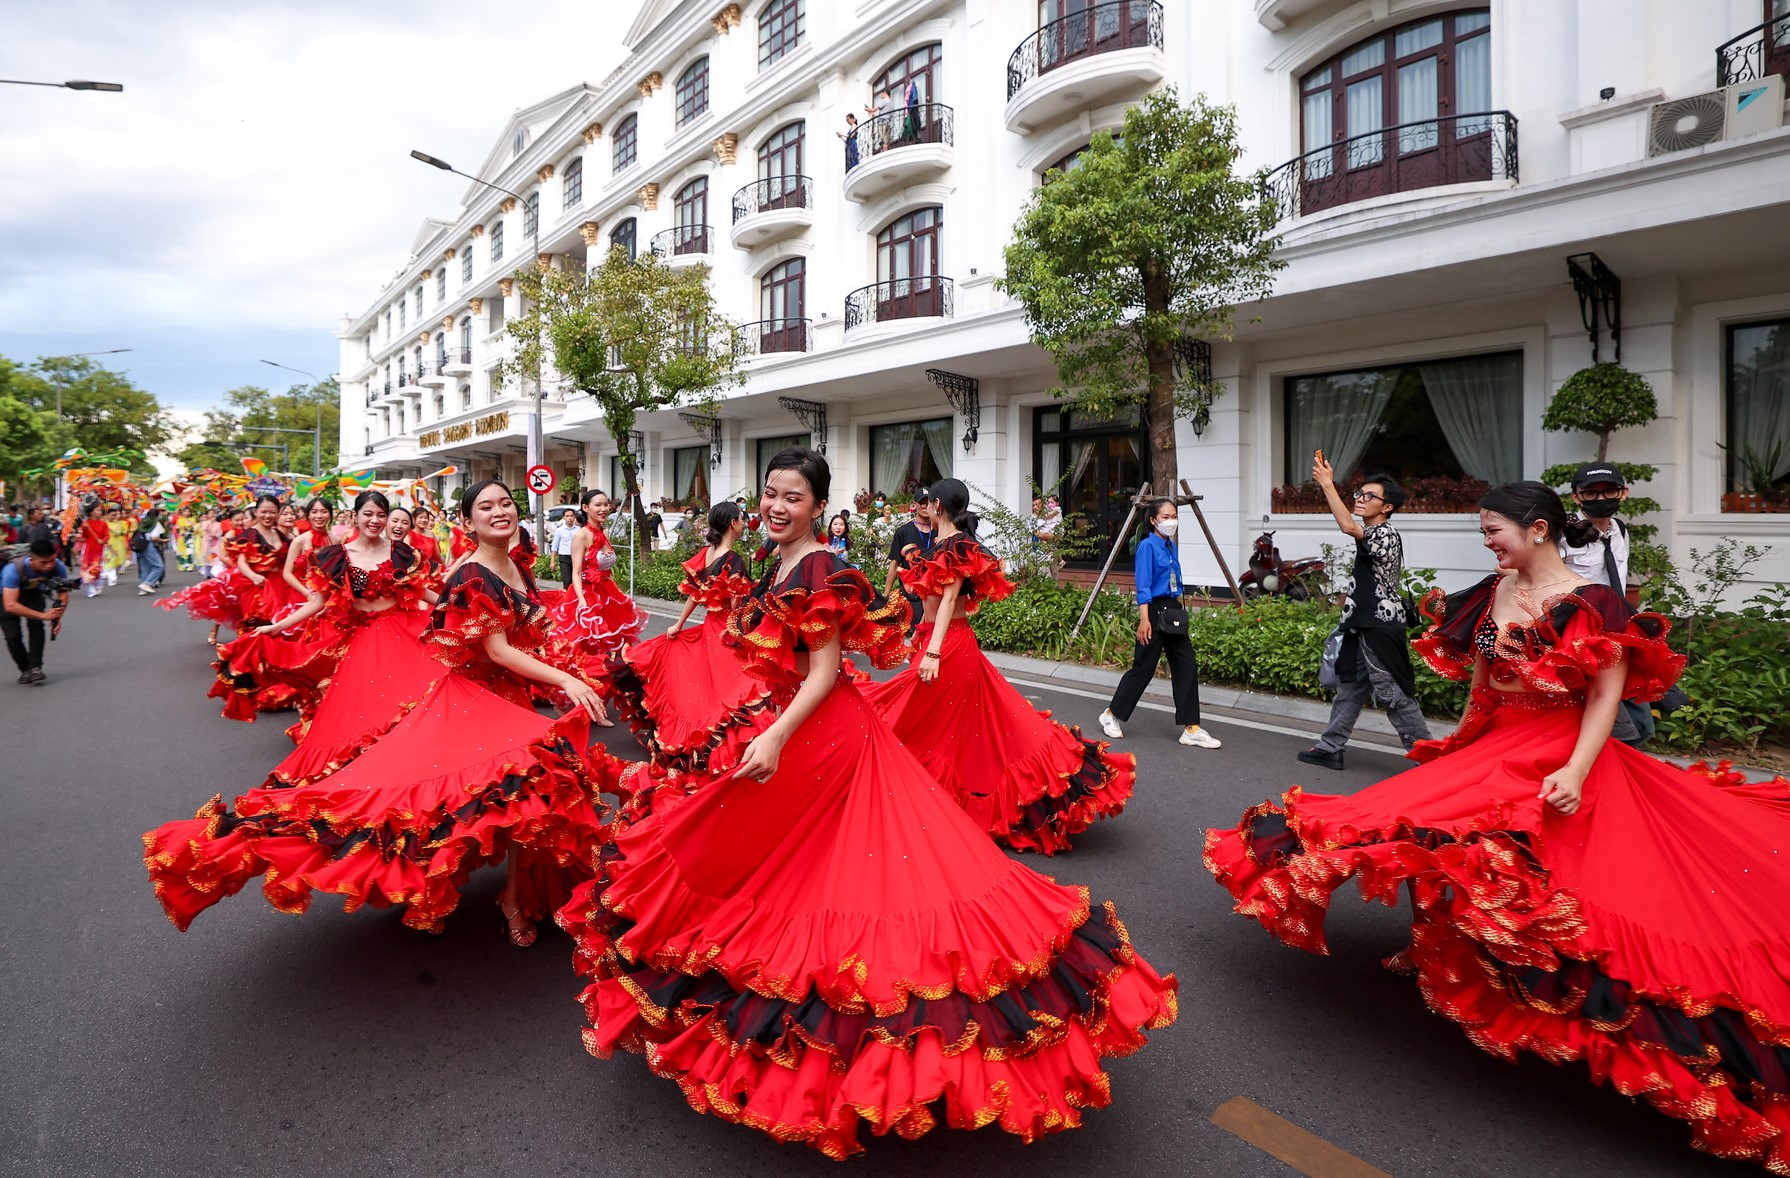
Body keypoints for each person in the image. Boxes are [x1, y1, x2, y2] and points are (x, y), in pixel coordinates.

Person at [558, 447, 1177, 1157]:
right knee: (776, 860)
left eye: (793, 496)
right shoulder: (779, 559)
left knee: (843, 878)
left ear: (819, 505)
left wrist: (775, 737)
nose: (776, 505)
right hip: (800, 731)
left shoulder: (819, 566)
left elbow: (826, 673)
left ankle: (881, 1054)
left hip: (828, 737)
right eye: (770, 492)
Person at [1203, 479, 1790, 1173]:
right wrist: (1463, 742)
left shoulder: (1592, 603)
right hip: (1496, 742)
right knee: (1425, 834)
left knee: (1559, 880)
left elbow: (1604, 696)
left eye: (1495, 531)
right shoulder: (1490, 592)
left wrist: (1574, 770)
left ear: (1538, 529)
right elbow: (1483, 678)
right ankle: (1433, 944)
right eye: (1484, 531)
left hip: (1559, 751)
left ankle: (1551, 993)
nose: (1487, 542)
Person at [143, 479, 612, 946]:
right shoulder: (469, 573)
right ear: (467, 522)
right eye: (485, 506)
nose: (499, 512)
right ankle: (468, 889)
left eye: (506, 503)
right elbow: (498, 649)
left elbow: (507, 627)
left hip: (505, 693)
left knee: (523, 798)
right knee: (443, 798)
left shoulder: (513, 564)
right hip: (468, 696)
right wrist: (565, 680)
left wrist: (573, 664)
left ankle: (515, 896)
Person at [861, 479, 1134, 853]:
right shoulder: (942, 544)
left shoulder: (955, 545)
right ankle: (920, 801)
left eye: (927, 501)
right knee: (956, 728)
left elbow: (950, 598)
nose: (923, 505)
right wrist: (920, 640)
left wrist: (934, 651)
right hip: (938, 641)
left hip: (950, 646)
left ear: (937, 504)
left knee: (914, 715)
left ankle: (905, 797)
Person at [245, 490, 446, 787]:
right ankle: (376, 770)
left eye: (381, 514)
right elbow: (317, 602)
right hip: (363, 640)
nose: (375, 520)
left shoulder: (401, 552)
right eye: (368, 514)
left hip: (403, 633)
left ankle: (409, 766)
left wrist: (459, 607)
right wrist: (276, 627)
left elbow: (425, 594)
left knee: (415, 701)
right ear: (355, 517)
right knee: (366, 712)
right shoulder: (335, 557)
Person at [602, 500, 769, 779]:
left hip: (708, 627)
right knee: (742, 685)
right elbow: (737, 604)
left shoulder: (706, 553)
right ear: (732, 523)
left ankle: (695, 741)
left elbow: (695, 594)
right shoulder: (734, 560)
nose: (744, 524)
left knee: (706, 688)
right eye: (741, 519)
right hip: (726, 630)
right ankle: (726, 745)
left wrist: (677, 625)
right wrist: (747, 632)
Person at [1297, 458, 1431, 770]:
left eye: (1370, 496)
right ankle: (1331, 746)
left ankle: (1426, 755)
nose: (1360, 498)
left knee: (1392, 692)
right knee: (1350, 687)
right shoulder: (1372, 533)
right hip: (1361, 625)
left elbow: (1347, 526)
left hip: (1378, 627)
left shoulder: (1385, 533)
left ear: (1388, 507)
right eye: (1360, 493)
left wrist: (1328, 484)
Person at [1099, 498, 1220, 748]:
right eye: (1165, 517)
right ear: (1153, 521)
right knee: (1143, 668)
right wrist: (1144, 619)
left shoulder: (1170, 546)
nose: (1171, 521)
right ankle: (1111, 714)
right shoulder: (1147, 547)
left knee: (1186, 665)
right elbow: (1143, 585)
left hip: (1173, 610)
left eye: (1173, 515)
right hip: (1154, 611)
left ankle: (1191, 728)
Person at [1557, 461, 1653, 746]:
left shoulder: (1620, 531)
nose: (1601, 499)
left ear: (1624, 493)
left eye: (1609, 491)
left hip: (1618, 633)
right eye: (1590, 493)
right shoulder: (1562, 534)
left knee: (1641, 724)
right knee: (1621, 730)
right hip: (1579, 639)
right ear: (1576, 496)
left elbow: (1618, 582)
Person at [541, 489, 643, 715]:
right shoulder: (581, 535)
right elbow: (576, 574)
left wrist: (616, 595)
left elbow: (604, 569)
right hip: (586, 597)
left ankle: (597, 701)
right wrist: (581, 602)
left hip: (607, 596)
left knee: (611, 652)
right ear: (585, 508)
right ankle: (576, 702)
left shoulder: (602, 532)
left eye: (606, 504)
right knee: (584, 653)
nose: (604, 508)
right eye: (598, 505)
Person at [3, 540, 70, 686]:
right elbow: (10, 605)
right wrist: (44, 615)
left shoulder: (57, 566)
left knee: (36, 627)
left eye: (52, 560)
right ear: (31, 558)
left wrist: (57, 617)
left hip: (33, 592)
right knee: (12, 635)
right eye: (44, 562)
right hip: (6, 596)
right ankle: (25, 668)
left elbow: (63, 594)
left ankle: (36, 667)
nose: (49, 565)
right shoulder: (13, 570)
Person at [882, 490, 934, 621]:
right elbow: (894, 564)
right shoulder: (903, 532)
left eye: (928, 503)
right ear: (914, 505)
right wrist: (886, 595)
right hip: (912, 598)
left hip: (934, 596)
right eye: (922, 503)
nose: (925, 506)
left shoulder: (940, 531)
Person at [133, 508, 168, 595]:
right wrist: (163, 541)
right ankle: (147, 583)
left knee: (145, 567)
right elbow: (154, 537)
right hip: (149, 545)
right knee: (159, 566)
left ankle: (143, 589)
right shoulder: (155, 523)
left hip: (139, 545)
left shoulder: (143, 521)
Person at [77, 506, 109, 597]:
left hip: (99, 549)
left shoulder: (103, 523)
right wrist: (85, 528)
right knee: (86, 569)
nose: (100, 511)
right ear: (91, 512)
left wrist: (103, 540)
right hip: (88, 548)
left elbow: (107, 535)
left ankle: (97, 582)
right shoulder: (85, 523)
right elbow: (84, 536)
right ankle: (90, 589)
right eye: (98, 510)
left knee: (96, 569)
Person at [553, 508, 579, 585]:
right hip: (564, 557)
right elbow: (555, 545)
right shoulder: (559, 530)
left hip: (576, 556)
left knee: (577, 579)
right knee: (567, 579)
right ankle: (567, 595)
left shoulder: (579, 530)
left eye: (571, 516)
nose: (569, 518)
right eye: (567, 516)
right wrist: (552, 560)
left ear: (574, 517)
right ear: (564, 517)